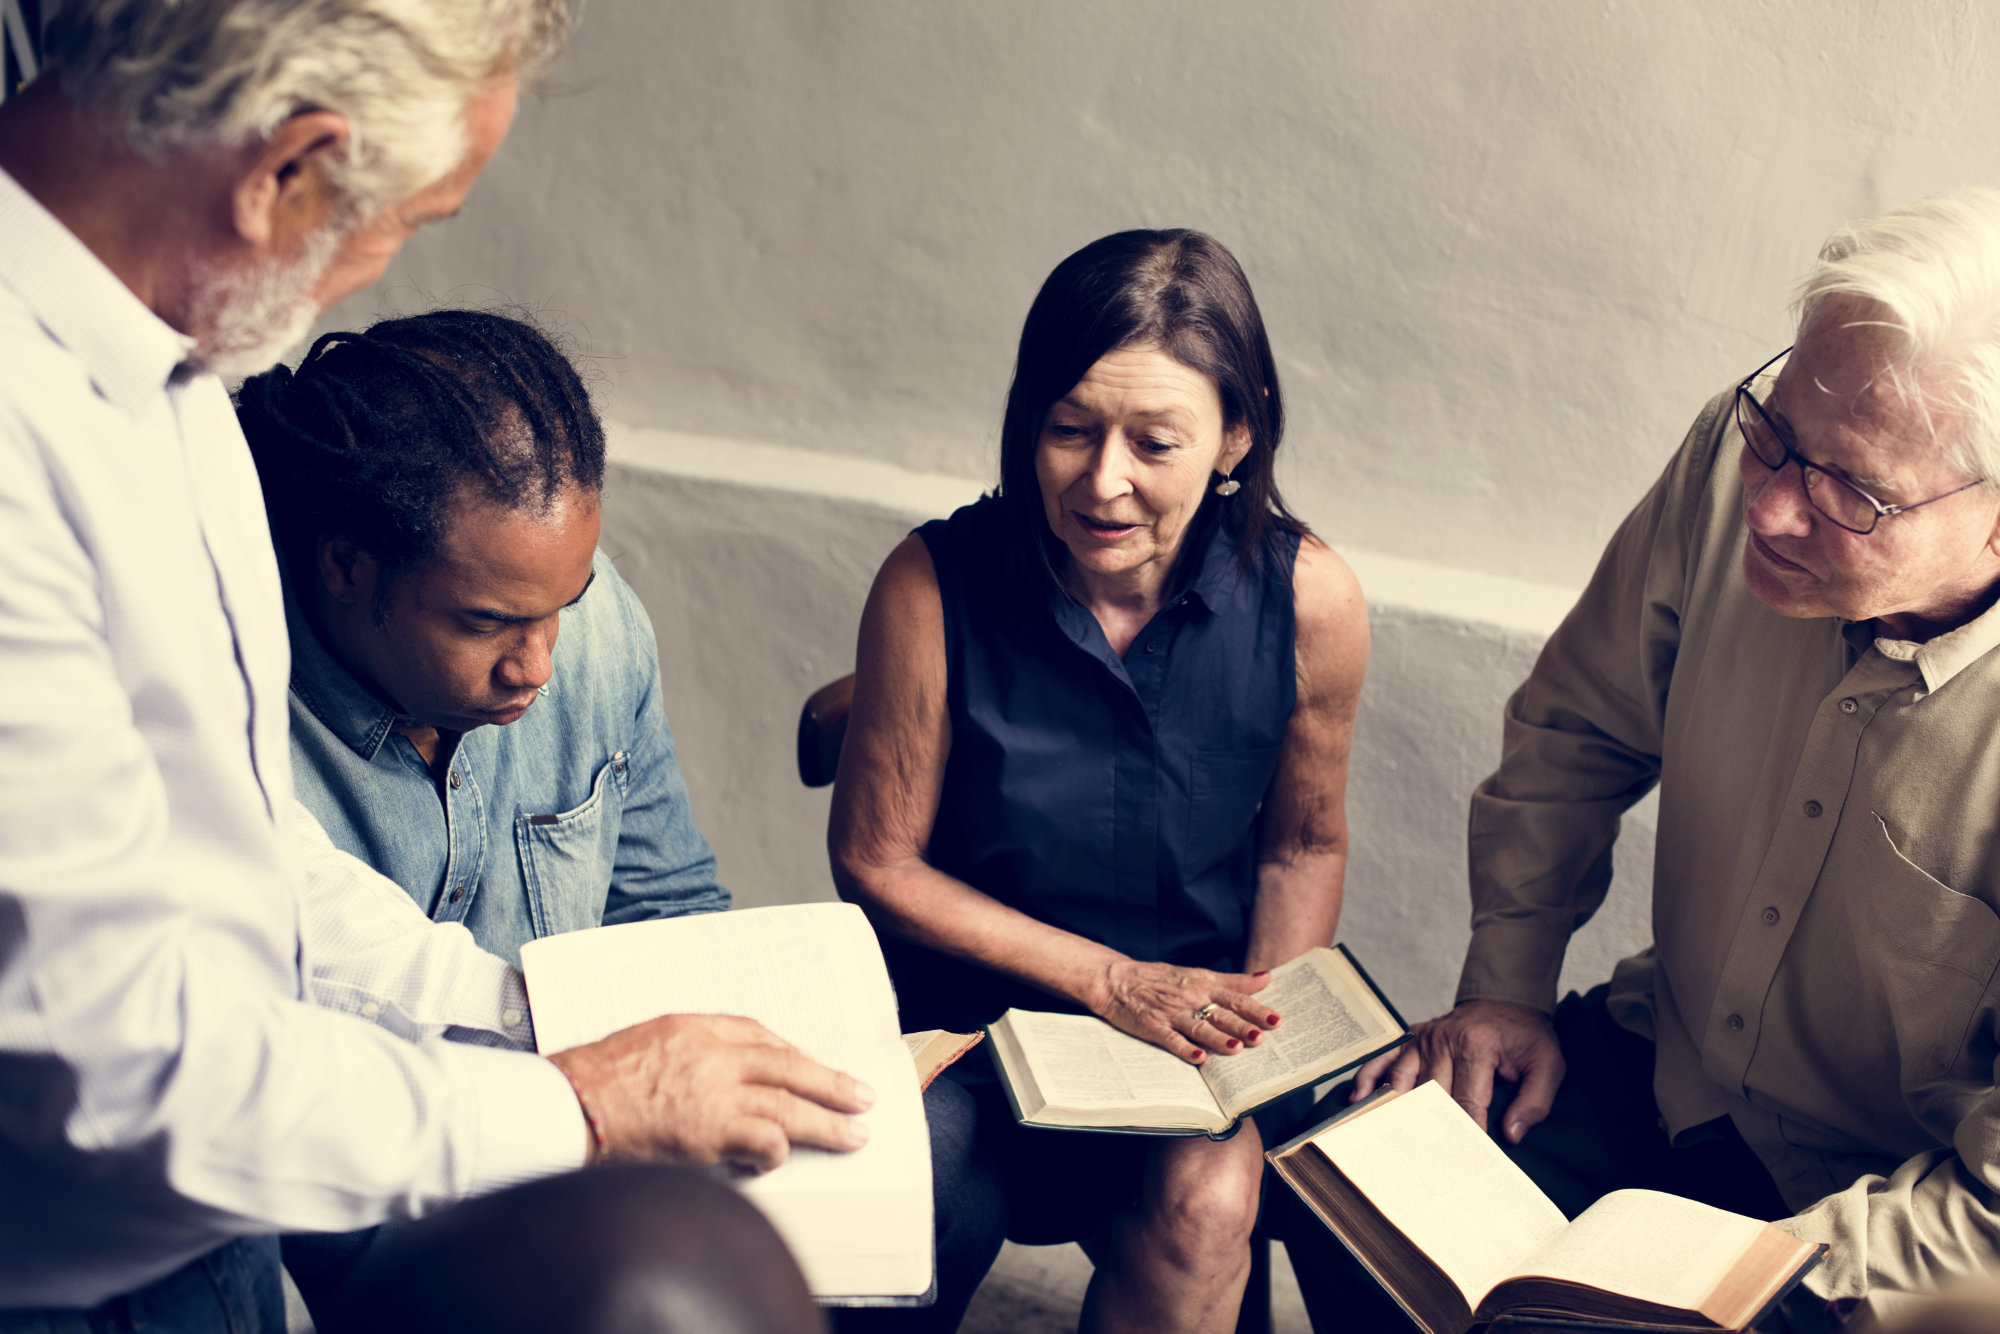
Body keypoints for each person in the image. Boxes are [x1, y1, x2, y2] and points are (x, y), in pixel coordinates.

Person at [0, 4, 864, 1329]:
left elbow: (246, 863)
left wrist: (524, 1003)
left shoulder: (176, 385)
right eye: (412, 218)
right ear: (289, 168)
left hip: (208, 1235)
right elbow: (121, 1072)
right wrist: (580, 1100)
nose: (378, 264)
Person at [1290, 189, 2000, 1330]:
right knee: (1347, 1184)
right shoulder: (1733, 457)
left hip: (1883, 1207)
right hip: (1665, 1064)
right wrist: (1502, 987)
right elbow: (1575, 728)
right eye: (1774, 435)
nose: (1767, 507)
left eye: (1848, 494)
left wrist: (1733, 1273)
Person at [830, 228, 1370, 1334]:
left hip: (1185, 1036)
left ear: (1236, 435)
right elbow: (875, 858)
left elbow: (1300, 844)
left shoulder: (1310, 598)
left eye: (1153, 441)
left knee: (1215, 1198)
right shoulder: (929, 582)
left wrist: (1265, 1042)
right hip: (969, 1025)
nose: (1101, 480)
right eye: (1069, 427)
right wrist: (1108, 978)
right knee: (901, 1185)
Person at [234, 308, 734, 1312]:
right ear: (345, 566)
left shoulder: (597, 633)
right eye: (486, 622)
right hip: (332, 1191)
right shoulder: (227, 707)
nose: (537, 664)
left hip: (581, 1154)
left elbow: (668, 906)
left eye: (564, 604)